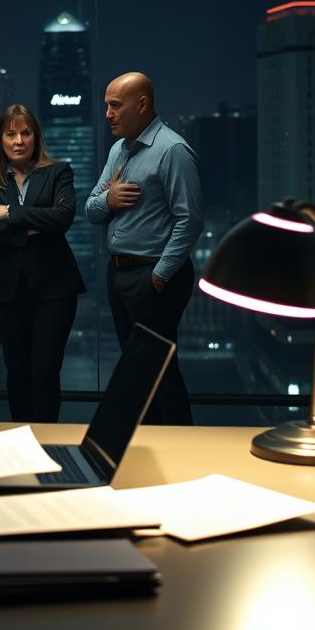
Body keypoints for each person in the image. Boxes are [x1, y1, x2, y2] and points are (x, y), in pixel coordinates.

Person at [85, 72, 203, 424]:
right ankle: (148, 446)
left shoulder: (173, 151)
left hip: (153, 276)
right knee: (137, 374)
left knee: (161, 375)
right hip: (119, 273)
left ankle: (181, 453)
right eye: (106, 105)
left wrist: (159, 276)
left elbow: (190, 221)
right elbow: (91, 209)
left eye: (115, 105)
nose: (107, 114)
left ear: (142, 104)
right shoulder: (118, 151)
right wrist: (110, 197)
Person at [0, 103, 86, 422]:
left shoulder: (58, 171)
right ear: (0, 140)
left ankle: (48, 442)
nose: (19, 140)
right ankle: (21, 439)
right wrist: (33, 228)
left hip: (55, 288)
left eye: (25, 132)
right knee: (16, 370)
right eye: (11, 134)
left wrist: (9, 214)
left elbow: (62, 219)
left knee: (45, 370)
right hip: (9, 290)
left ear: (35, 136)